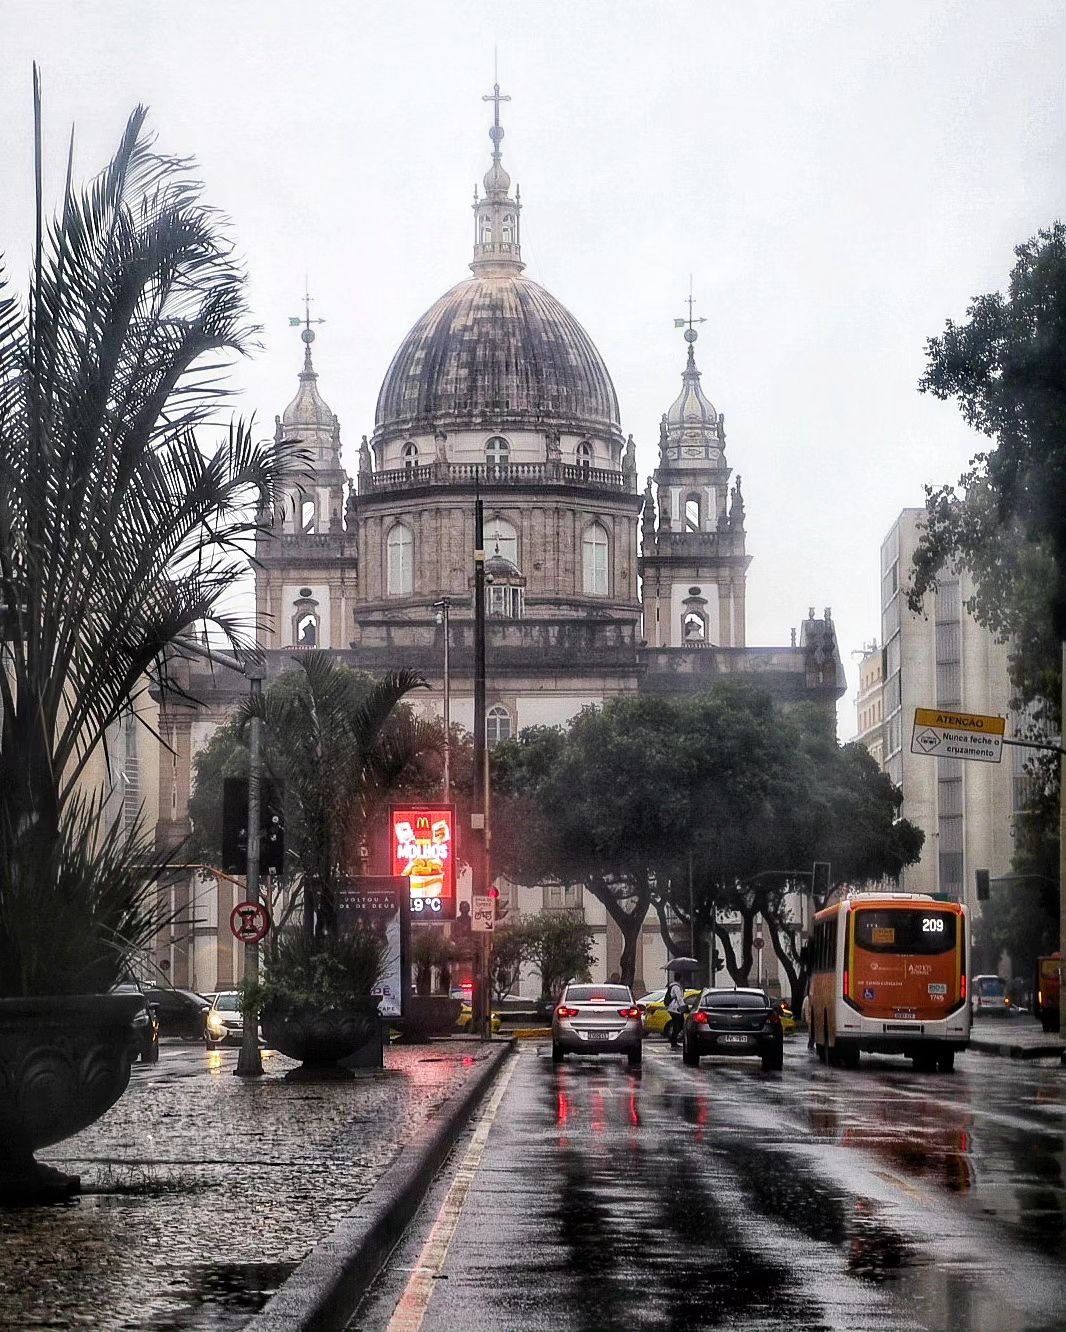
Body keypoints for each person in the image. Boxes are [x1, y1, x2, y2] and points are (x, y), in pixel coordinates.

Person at [664, 975, 686, 1048]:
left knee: (678, 1024)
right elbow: (679, 998)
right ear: (680, 979)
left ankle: (673, 1040)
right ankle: (673, 1040)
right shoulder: (676, 987)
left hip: (673, 1009)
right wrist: (683, 1007)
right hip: (675, 1009)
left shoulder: (675, 986)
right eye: (682, 978)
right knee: (678, 1025)